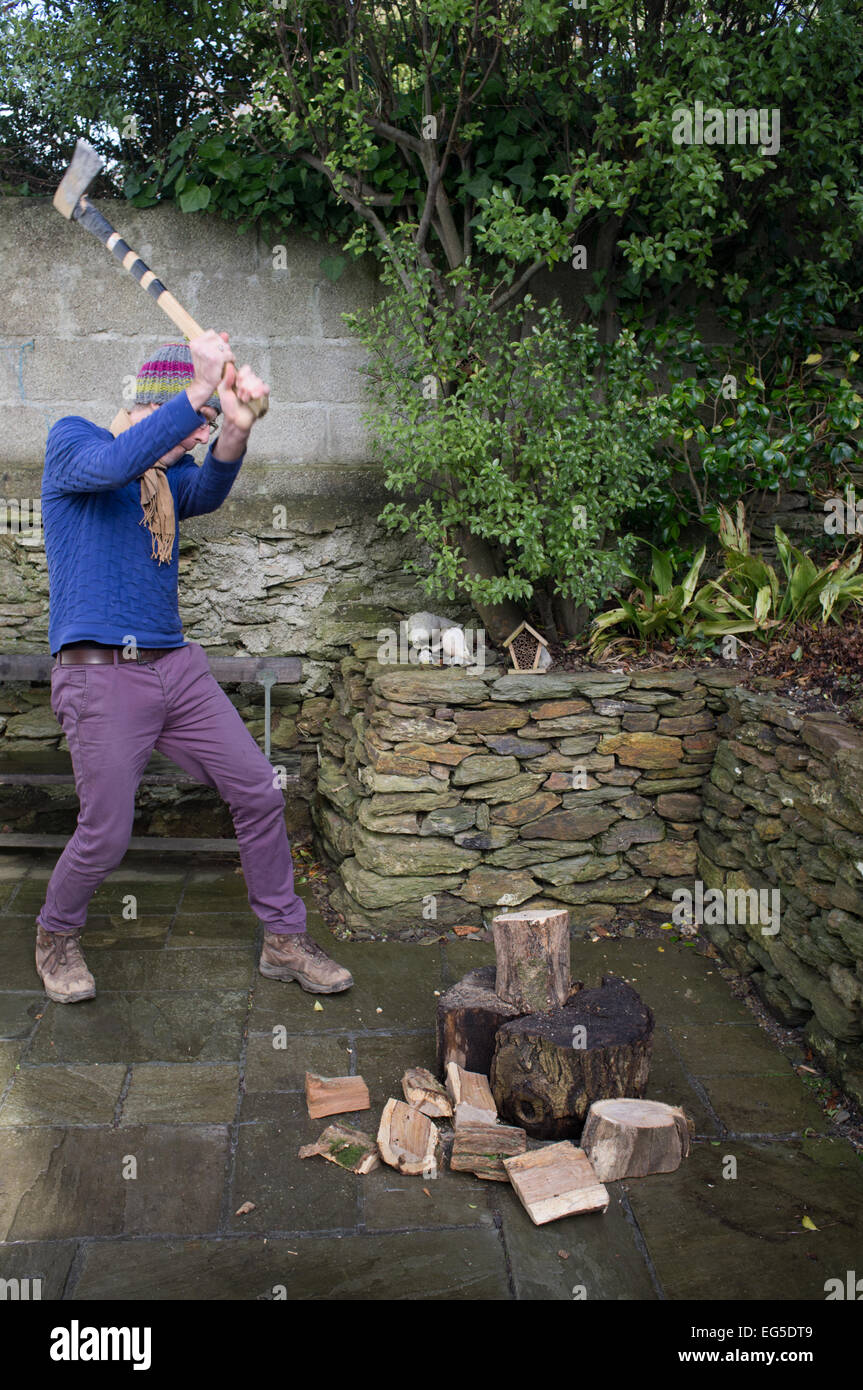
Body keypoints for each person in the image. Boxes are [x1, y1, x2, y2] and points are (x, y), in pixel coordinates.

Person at [35, 331, 353, 1003]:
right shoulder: (75, 444)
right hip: (100, 674)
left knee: (259, 791)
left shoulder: (164, 479)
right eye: (194, 426)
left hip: (175, 668)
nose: (197, 439)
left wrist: (236, 427)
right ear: (158, 404)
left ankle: (282, 939)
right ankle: (55, 932)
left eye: (203, 428)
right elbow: (113, 464)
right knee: (108, 830)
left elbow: (205, 489)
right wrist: (200, 395)